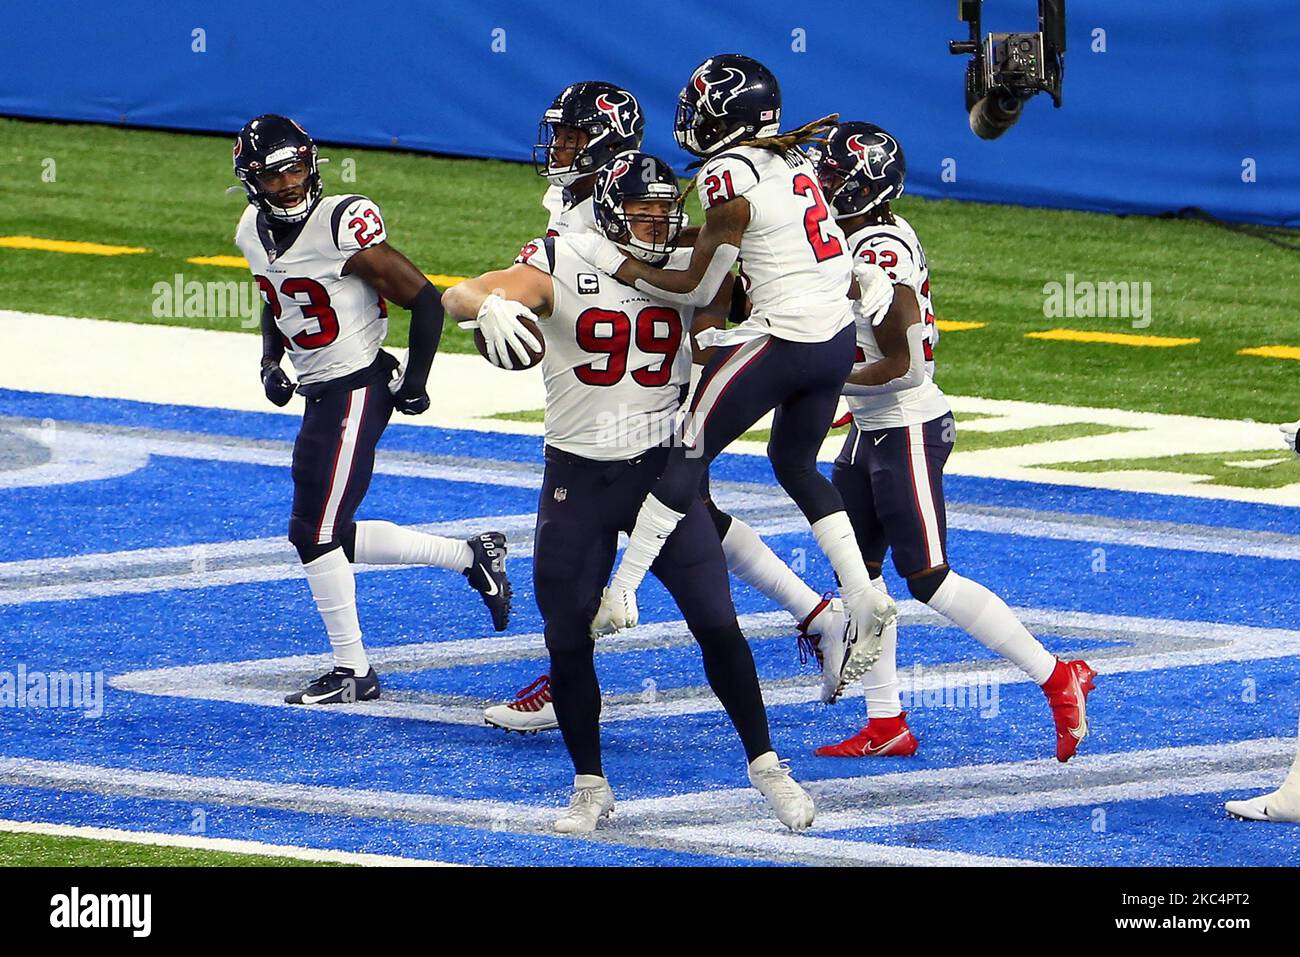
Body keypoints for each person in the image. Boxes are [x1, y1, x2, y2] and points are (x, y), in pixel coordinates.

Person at [445, 153, 815, 834]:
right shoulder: (567, 255)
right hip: (577, 476)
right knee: (567, 635)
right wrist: (487, 304)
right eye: (641, 210)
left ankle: (767, 765)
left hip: (659, 471)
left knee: (716, 622)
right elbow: (462, 292)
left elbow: (772, 295)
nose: (655, 221)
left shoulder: (690, 259)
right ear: (612, 212)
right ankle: (590, 784)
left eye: (663, 210)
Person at [484, 81, 855, 733]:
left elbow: (715, 280)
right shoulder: (593, 198)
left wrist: (701, 336)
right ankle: (817, 614)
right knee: (692, 512)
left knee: (623, 525)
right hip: (627, 381)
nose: (559, 145)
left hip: (638, 392)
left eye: (572, 134)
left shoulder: (639, 199)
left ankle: (567, 675)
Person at [564, 55, 897, 692]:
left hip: (787, 338)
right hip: (831, 339)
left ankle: (623, 592)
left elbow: (698, 284)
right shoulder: (791, 158)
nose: (688, 112)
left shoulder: (725, 173)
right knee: (796, 466)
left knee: (684, 451)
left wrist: (614, 260)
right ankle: (862, 595)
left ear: (723, 111)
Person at [807, 122, 1096, 762]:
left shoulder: (877, 247)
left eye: (831, 176)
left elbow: (909, 366)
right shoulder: (860, 236)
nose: (820, 185)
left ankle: (1057, 675)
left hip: (906, 423)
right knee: (861, 576)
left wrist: (826, 379)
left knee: (928, 579)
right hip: (871, 426)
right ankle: (886, 722)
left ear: (864, 185)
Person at [231, 114, 511, 705]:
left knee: (315, 530)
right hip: (320, 388)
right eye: (272, 174)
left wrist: (417, 380)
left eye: (295, 169)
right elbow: (276, 297)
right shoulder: (252, 231)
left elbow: (426, 300)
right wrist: (269, 361)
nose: (287, 183)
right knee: (322, 529)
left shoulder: (340, 224)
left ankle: (354, 670)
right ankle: (469, 556)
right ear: (250, 179)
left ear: (311, 164)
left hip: (357, 384)